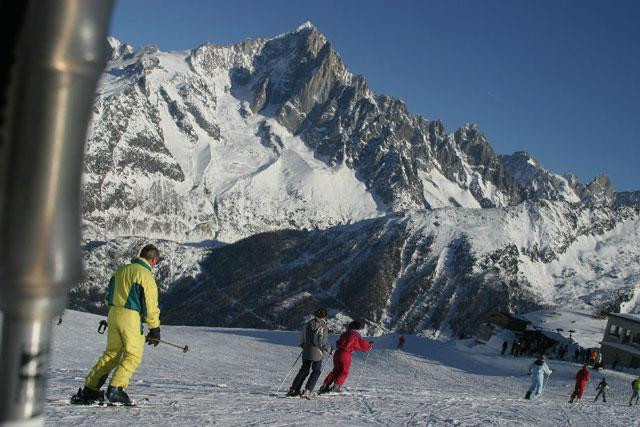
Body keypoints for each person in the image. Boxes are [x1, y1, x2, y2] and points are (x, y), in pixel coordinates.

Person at [71, 244, 162, 405]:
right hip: (131, 317)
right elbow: (150, 305)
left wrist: (115, 313)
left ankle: (90, 390)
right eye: (156, 261)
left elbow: (108, 297)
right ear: (153, 259)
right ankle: (115, 390)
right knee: (132, 355)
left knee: (112, 354)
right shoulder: (145, 275)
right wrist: (154, 329)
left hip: (113, 313)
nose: (156, 264)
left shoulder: (121, 270)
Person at [287, 308, 332, 399]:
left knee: (304, 370)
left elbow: (302, 338)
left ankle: (294, 389)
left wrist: (304, 346)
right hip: (317, 352)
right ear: (324, 316)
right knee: (316, 371)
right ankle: (308, 390)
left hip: (306, 350)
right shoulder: (323, 326)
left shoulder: (307, 324)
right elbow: (322, 342)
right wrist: (329, 349)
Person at [318, 321, 372, 394]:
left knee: (336, 370)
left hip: (337, 353)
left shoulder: (344, 334)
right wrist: (369, 345)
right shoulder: (356, 335)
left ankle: (325, 385)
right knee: (344, 371)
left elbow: (338, 342)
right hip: (346, 354)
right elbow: (362, 344)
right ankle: (336, 387)